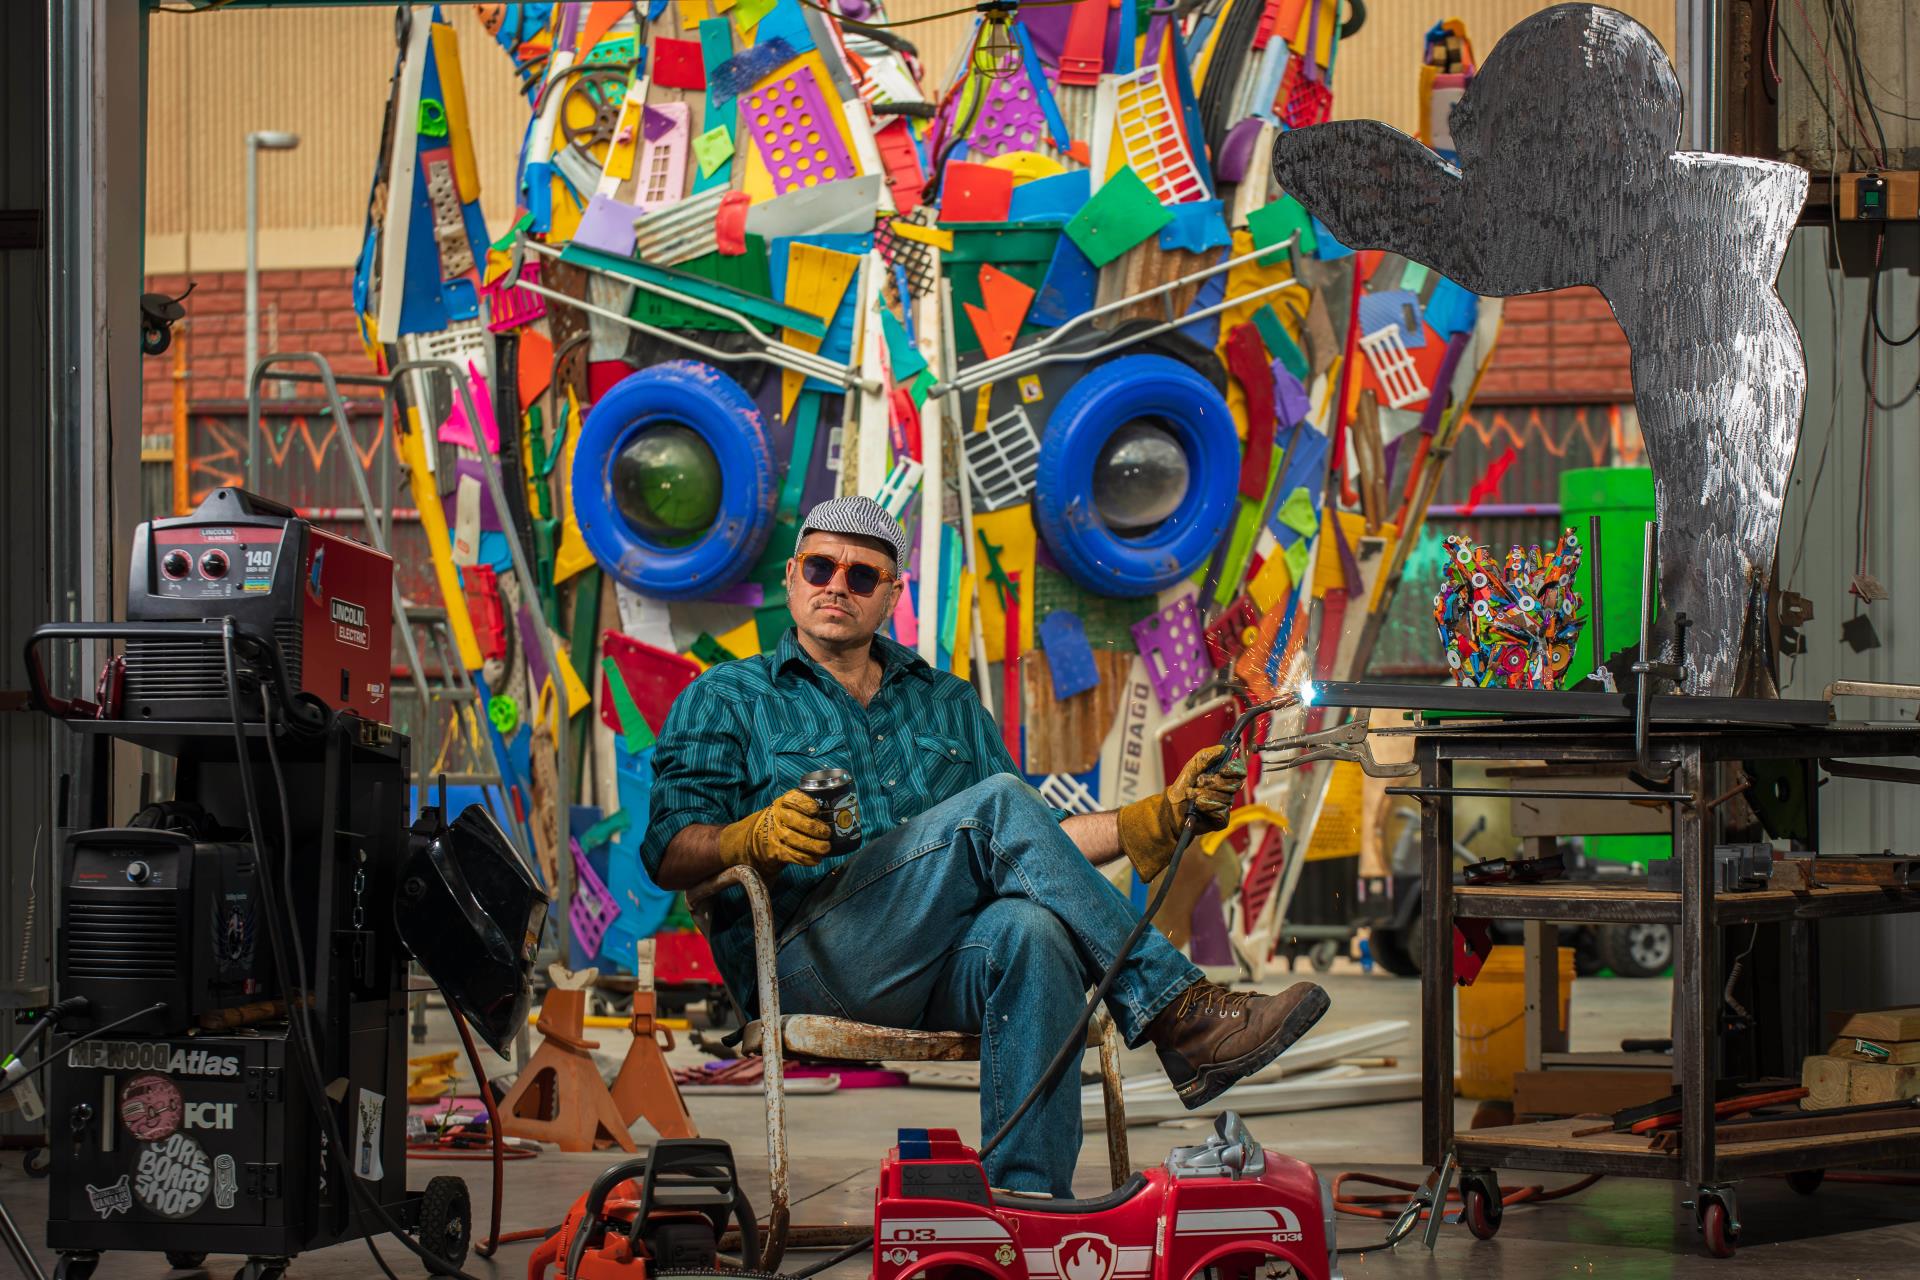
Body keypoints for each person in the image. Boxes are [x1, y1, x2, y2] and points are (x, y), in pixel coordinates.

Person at [641, 496, 1328, 1196]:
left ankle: (1026, 1201)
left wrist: (1154, 818)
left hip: (941, 967)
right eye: (820, 567)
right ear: (792, 576)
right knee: (998, 806)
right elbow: (667, 849)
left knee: (1032, 929)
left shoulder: (946, 701)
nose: (836, 586)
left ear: (891, 596)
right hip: (812, 963)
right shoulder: (729, 696)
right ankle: (1182, 1013)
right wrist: (747, 837)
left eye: (861, 576)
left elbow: (1030, 844)